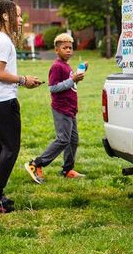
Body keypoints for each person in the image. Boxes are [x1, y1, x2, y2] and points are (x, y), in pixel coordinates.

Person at [0, 0, 42, 213]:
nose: (20, 20)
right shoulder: (3, 42)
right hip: (3, 102)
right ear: (5, 16)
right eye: (16, 15)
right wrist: (23, 79)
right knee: (10, 149)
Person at [24, 33, 87, 183]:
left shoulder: (66, 65)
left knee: (73, 140)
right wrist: (72, 79)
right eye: (65, 48)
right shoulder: (57, 66)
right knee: (63, 140)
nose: (68, 50)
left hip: (70, 109)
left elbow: (70, 84)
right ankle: (36, 164)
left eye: (70, 48)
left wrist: (78, 75)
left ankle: (67, 170)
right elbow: (53, 88)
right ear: (57, 50)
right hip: (61, 108)